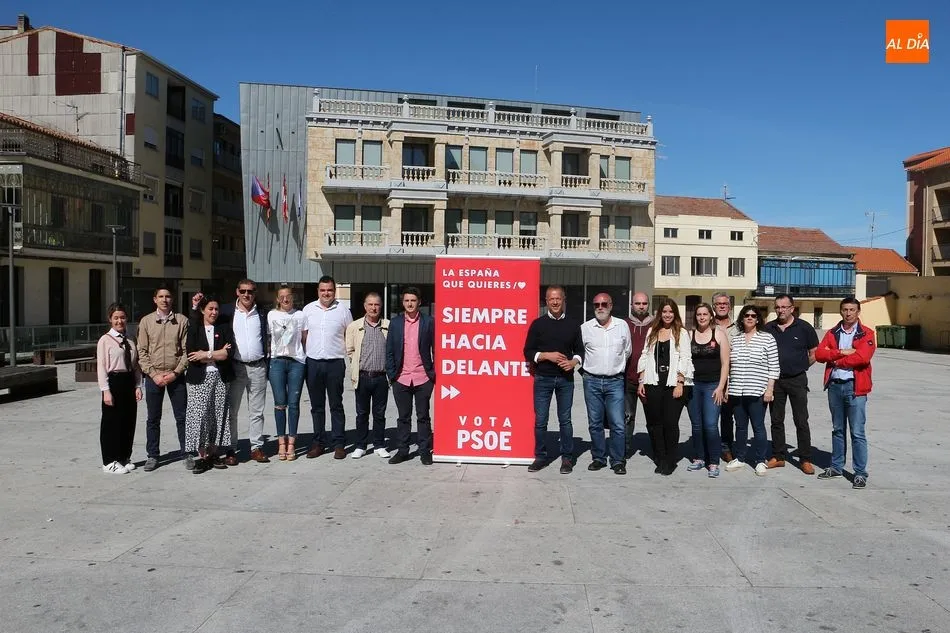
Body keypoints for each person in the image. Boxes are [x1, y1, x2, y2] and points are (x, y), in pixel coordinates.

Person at [815, 297, 876, 489]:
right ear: (840, 311)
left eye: (852, 310)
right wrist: (842, 351)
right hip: (835, 386)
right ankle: (836, 467)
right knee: (837, 429)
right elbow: (819, 354)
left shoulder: (867, 333)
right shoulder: (833, 332)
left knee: (857, 432)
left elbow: (862, 358)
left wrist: (836, 360)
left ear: (858, 312)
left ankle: (860, 473)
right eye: (845, 310)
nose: (848, 313)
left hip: (855, 387)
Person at [523, 285, 583, 474]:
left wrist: (574, 362)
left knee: (565, 420)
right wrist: (545, 355)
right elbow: (528, 351)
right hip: (543, 379)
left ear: (563, 300)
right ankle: (541, 456)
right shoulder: (537, 324)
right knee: (541, 420)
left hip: (565, 380)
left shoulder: (573, 324)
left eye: (558, 299)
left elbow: (580, 350)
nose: (555, 302)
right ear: (546, 301)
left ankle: (567, 458)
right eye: (551, 299)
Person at [213, 279, 270, 464]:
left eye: (251, 291)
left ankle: (256, 447)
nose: (247, 295)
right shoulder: (227, 311)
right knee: (232, 411)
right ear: (237, 292)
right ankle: (231, 448)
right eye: (243, 291)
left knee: (257, 411)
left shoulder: (262, 312)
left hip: (258, 366)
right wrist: (196, 306)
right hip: (236, 367)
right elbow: (206, 318)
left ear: (255, 293)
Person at [137, 284, 190, 471]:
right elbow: (141, 351)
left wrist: (176, 372)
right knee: (153, 418)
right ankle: (152, 455)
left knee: (182, 416)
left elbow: (186, 351)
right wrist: (153, 374)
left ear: (172, 299)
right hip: (154, 377)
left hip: (176, 376)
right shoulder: (146, 322)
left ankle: (187, 452)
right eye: (161, 296)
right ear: (155, 299)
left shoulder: (182, 321)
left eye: (168, 296)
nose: (164, 300)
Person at [764, 294, 819, 474]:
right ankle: (779, 456)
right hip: (775, 381)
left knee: (801, 420)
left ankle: (805, 458)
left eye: (784, 307)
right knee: (776, 420)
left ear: (792, 308)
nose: (780, 310)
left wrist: (802, 366)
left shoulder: (804, 328)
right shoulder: (768, 328)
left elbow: (814, 353)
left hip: (797, 380)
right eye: (777, 307)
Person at [637, 298, 693, 476]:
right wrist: (641, 380)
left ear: (675, 314)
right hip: (653, 381)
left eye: (671, 312)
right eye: (664, 312)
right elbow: (645, 355)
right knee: (656, 423)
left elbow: (686, 358)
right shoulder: (652, 331)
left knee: (670, 423)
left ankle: (670, 459)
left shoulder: (681, 333)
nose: (667, 315)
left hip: (672, 383)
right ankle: (660, 458)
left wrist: (680, 382)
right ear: (659, 313)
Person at [724, 306, 779, 476]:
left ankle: (760, 460)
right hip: (737, 391)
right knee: (740, 427)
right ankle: (740, 458)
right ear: (741, 319)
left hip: (757, 390)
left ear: (758, 319)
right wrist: (727, 387)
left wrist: (769, 389)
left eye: (753, 316)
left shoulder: (767, 338)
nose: (749, 318)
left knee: (758, 427)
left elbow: (774, 366)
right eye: (746, 315)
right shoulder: (736, 339)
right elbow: (729, 366)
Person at [302, 275, 352, 459]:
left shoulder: (343, 311)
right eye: (323, 290)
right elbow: (304, 336)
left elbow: (350, 334)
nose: (326, 293)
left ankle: (339, 443)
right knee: (317, 406)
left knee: (336, 405)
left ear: (334, 291)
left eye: (329, 290)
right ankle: (318, 443)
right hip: (313, 363)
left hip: (335, 363)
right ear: (318, 291)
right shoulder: (308, 310)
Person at [184, 296, 236, 475]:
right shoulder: (194, 330)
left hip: (220, 377)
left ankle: (213, 453)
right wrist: (217, 353)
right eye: (210, 309)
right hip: (200, 378)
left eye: (216, 309)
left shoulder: (223, 328)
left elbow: (228, 353)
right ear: (202, 310)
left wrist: (206, 354)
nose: (214, 312)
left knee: (218, 415)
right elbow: (192, 355)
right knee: (199, 416)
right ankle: (202, 455)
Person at [581, 293, 632, 474]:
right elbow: (580, 354)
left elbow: (627, 351)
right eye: (596, 305)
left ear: (611, 305)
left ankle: (618, 461)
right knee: (594, 423)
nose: (600, 307)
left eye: (604, 304)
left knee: (618, 424)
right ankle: (599, 458)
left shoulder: (622, 326)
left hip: (615, 381)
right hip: (592, 381)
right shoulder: (586, 328)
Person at [386, 287, 436, 465]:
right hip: (401, 378)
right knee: (403, 417)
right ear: (403, 302)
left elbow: (436, 348)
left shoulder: (429, 322)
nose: (409, 304)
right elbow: (389, 350)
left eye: (413, 300)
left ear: (419, 302)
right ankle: (403, 450)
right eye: (406, 300)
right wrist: (392, 375)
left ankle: (424, 450)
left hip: (423, 377)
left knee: (423, 416)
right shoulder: (396, 323)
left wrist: (433, 373)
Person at [96, 302, 143, 474]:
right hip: (114, 381)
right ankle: (109, 460)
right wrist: (105, 390)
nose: (119, 321)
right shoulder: (105, 340)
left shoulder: (130, 339)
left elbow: (136, 365)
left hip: (129, 381)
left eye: (122, 317)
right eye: (116, 318)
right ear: (110, 319)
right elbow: (101, 366)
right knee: (111, 423)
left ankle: (124, 456)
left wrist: (138, 385)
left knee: (128, 421)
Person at [345, 292, 392, 459]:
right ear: (365, 306)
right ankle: (361, 445)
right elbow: (350, 350)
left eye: (377, 304)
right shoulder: (355, 326)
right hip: (363, 377)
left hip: (381, 378)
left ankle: (379, 444)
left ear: (381, 306)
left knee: (380, 414)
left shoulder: (388, 325)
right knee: (362, 413)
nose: (374, 308)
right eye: (370, 304)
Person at [685, 303, 729, 477]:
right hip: (693, 385)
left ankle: (713, 461)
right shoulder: (689, 335)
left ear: (711, 316)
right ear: (695, 317)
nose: (702, 317)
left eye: (705, 314)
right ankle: (699, 457)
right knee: (696, 425)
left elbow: (726, 363)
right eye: (699, 314)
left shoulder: (719, 334)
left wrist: (721, 387)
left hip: (713, 386)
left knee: (710, 425)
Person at [268, 284, 307, 461]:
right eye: (282, 296)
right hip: (277, 361)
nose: (285, 299)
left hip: (296, 362)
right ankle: (280, 443)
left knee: (294, 403)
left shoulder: (300, 315)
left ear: (293, 297)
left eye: (288, 296)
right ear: (277, 299)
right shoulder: (271, 315)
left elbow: (304, 339)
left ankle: (291, 443)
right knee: (279, 403)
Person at [624, 292, 653, 458]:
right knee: (627, 417)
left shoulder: (656, 323)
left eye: (644, 303)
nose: (641, 306)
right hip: (628, 379)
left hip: (650, 380)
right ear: (632, 305)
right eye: (637, 303)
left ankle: (657, 449)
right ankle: (625, 449)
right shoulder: (624, 324)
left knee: (653, 418)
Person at [711, 292, 739, 463]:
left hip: (734, 378)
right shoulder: (706, 324)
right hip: (711, 378)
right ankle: (710, 445)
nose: (722, 306)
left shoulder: (738, 328)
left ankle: (726, 447)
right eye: (718, 303)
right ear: (713, 306)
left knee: (728, 416)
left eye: (725, 303)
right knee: (710, 416)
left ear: (729, 306)